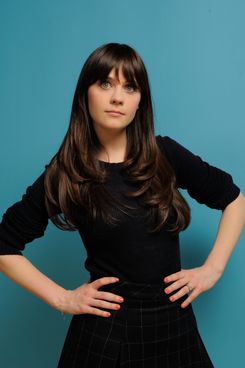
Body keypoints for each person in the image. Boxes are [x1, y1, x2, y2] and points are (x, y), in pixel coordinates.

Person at [0, 43, 244, 368]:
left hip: (174, 325)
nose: (118, 97)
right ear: (84, 94)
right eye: (105, 84)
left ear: (139, 100)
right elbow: (4, 245)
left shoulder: (164, 154)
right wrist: (63, 298)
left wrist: (212, 269)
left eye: (130, 86)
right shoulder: (67, 172)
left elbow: (233, 199)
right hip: (105, 334)